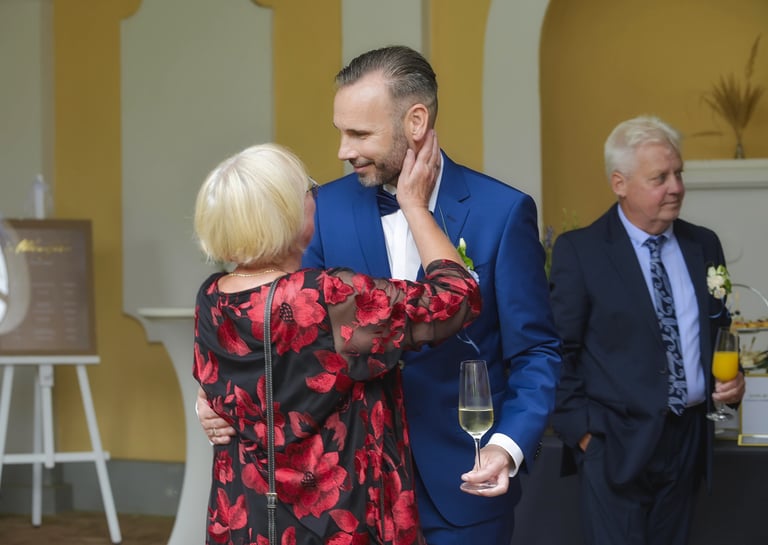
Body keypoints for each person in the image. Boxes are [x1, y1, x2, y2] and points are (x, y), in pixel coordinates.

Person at [198, 45, 562, 544]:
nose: (342, 151)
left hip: (464, 484)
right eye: (341, 131)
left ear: (416, 122)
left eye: (359, 134)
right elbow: (275, 324)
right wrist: (213, 397)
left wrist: (510, 444)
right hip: (347, 496)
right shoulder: (319, 209)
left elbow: (536, 350)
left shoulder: (502, 211)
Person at [192, 136, 481, 544]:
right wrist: (415, 206)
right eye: (309, 190)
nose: (316, 198)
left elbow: (224, 389)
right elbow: (456, 298)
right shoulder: (327, 297)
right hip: (335, 523)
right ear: (289, 213)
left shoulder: (211, 298)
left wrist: (205, 403)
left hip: (249, 521)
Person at [549, 115, 746, 545]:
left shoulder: (704, 244)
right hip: (614, 443)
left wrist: (732, 382)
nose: (676, 187)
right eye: (660, 178)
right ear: (619, 183)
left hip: (689, 439)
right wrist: (584, 435)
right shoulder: (581, 252)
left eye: (679, 174)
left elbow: (718, 330)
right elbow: (558, 351)